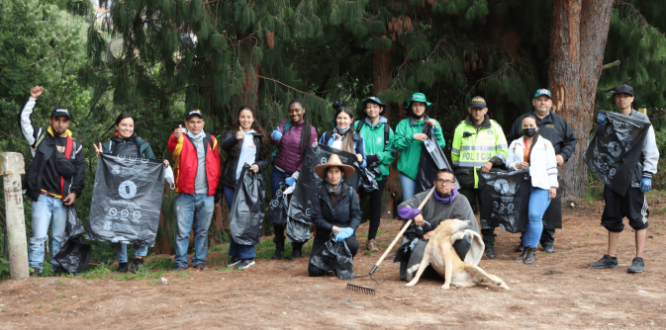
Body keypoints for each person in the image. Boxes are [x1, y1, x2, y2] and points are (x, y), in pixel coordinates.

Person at [589, 84, 658, 274]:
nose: (622, 99)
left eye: (626, 96)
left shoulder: (641, 120)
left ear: (632, 99)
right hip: (613, 177)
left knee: (638, 218)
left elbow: (650, 148)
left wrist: (647, 174)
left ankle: (639, 258)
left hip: (634, 177)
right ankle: (611, 257)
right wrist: (601, 127)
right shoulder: (610, 120)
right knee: (612, 216)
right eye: (618, 96)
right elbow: (603, 146)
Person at [18, 86, 85, 276]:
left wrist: (75, 192)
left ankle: (58, 271)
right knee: (39, 237)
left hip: (63, 199)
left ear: (68, 122)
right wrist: (32, 99)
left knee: (58, 238)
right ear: (51, 120)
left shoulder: (75, 145)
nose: (60, 124)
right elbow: (24, 121)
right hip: (42, 197)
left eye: (64, 121)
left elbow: (80, 171)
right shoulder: (39, 137)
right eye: (57, 120)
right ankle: (35, 270)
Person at [92, 113, 170, 273]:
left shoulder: (143, 146)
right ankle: (122, 264)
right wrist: (101, 158)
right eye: (123, 125)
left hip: (139, 193)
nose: (127, 128)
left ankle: (138, 261)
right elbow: (103, 173)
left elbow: (152, 166)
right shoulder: (109, 146)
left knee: (140, 223)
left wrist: (163, 164)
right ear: (117, 126)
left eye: (130, 125)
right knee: (118, 225)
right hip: (117, 193)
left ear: (133, 128)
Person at [507, 89, 576, 253]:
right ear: (534, 102)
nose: (542, 103)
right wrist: (516, 161)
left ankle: (547, 241)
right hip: (525, 176)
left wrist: (563, 156)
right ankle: (525, 241)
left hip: (549, 172)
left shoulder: (559, 122)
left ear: (551, 102)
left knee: (550, 207)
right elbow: (510, 142)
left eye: (546, 100)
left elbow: (571, 141)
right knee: (525, 208)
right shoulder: (523, 120)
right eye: (539, 100)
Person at [451, 96, 508, 259]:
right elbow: (455, 154)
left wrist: (491, 162)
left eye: (480, 108)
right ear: (470, 110)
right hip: (466, 179)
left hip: (487, 178)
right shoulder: (461, 128)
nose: (477, 111)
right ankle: (464, 246)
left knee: (488, 213)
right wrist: (459, 172)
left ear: (485, 110)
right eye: (474, 108)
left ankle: (489, 246)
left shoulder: (495, 128)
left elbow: (503, 152)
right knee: (464, 213)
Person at [396, 169, 479, 281]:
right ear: (435, 183)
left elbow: (470, 228)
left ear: (453, 185)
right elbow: (401, 209)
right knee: (408, 274)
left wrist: (438, 234)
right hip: (425, 241)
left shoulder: (461, 201)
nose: (444, 184)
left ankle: (450, 270)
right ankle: (430, 271)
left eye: (448, 181)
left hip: (449, 242)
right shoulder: (424, 197)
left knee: (463, 240)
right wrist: (414, 213)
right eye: (441, 180)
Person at [167, 108, 221, 271]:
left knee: (202, 230)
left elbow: (217, 165)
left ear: (203, 123)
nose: (195, 125)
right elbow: (173, 149)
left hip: (206, 194)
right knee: (183, 231)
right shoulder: (180, 138)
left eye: (198, 122)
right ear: (186, 124)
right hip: (184, 194)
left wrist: (215, 187)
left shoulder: (211, 140)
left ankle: (199, 260)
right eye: (192, 122)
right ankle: (181, 262)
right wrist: (176, 138)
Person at [218, 106, 270, 270]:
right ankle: (236, 254)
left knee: (244, 218)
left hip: (248, 183)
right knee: (235, 217)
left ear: (253, 119)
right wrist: (236, 138)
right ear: (239, 119)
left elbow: (267, 158)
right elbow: (224, 146)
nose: (246, 120)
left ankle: (248, 256)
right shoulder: (232, 134)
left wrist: (259, 166)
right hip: (231, 182)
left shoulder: (259, 137)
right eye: (243, 117)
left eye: (248, 117)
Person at [269, 99, 318, 260]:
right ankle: (278, 246)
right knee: (278, 209)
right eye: (291, 111)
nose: (294, 113)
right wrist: (274, 136)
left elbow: (310, 156)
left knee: (296, 211)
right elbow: (275, 139)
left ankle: (297, 248)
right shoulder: (285, 124)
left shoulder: (310, 131)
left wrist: (296, 176)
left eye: (297, 110)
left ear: (303, 110)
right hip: (278, 172)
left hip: (296, 176)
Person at [506, 115, 558, 265]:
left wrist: (553, 185)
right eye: (525, 125)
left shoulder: (546, 144)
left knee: (534, 215)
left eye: (531, 125)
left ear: (537, 127)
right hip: (520, 185)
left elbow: (551, 166)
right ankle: (526, 250)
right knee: (525, 217)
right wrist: (515, 165)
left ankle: (532, 250)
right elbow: (508, 162)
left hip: (541, 185)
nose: (528, 128)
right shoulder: (515, 144)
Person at [308, 154, 361, 277]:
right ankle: (332, 262)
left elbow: (356, 215)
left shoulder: (350, 192)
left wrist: (350, 229)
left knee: (353, 245)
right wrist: (334, 228)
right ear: (326, 174)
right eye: (330, 172)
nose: (333, 175)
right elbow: (317, 218)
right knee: (314, 271)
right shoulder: (319, 193)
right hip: (324, 235)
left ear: (342, 173)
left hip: (345, 233)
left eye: (337, 171)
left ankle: (340, 261)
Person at [355, 97, 395, 252]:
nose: (372, 109)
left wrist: (377, 157)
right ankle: (349, 237)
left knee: (375, 207)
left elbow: (391, 153)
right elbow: (349, 144)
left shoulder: (386, 130)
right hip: (359, 173)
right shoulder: (357, 126)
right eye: (369, 107)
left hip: (379, 174)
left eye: (375, 107)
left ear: (380, 109)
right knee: (355, 205)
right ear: (365, 110)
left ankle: (371, 240)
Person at [393, 93, 446, 201]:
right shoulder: (403, 124)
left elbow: (441, 145)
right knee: (410, 204)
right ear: (411, 107)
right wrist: (412, 137)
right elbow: (396, 145)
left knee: (426, 205)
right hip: (408, 173)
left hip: (427, 172)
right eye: (415, 105)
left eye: (421, 105)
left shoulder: (432, 123)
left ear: (425, 106)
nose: (418, 108)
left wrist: (437, 129)